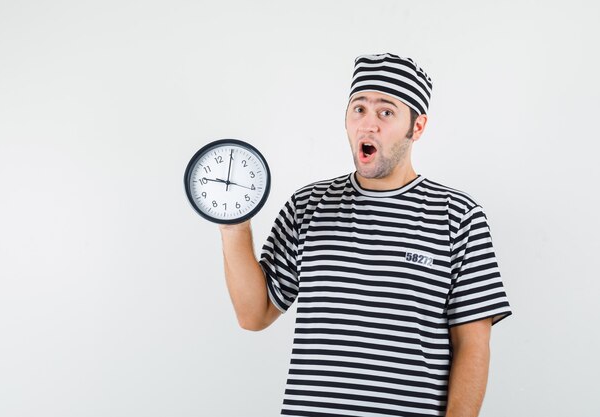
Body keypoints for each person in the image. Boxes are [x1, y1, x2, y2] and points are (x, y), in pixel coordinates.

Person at [218, 52, 512, 417]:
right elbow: (253, 314)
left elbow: (473, 346)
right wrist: (234, 221)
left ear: (417, 127)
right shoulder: (307, 206)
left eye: (385, 112)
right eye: (359, 109)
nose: (367, 124)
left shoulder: (459, 217)